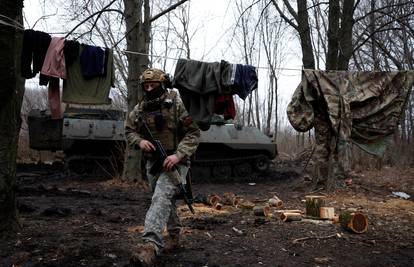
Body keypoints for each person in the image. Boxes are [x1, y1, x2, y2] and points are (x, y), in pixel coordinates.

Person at [125, 68, 200, 267]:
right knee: (165, 199)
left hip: (176, 162)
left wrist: (178, 155)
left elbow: (193, 133)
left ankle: (150, 245)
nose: (149, 89)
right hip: (153, 163)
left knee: (161, 196)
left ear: (162, 85)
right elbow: (128, 130)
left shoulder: (176, 104)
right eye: (146, 86)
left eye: (153, 85)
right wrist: (139, 142)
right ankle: (174, 236)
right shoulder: (140, 109)